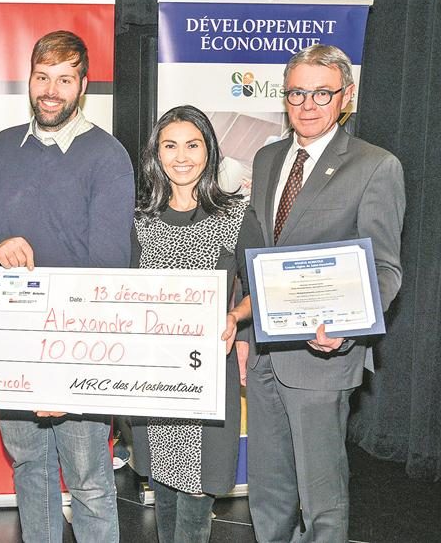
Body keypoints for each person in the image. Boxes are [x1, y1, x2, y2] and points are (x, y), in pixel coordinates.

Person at [0, 30, 135, 543]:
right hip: (12, 343)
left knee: (89, 481)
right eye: (42, 78)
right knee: (28, 468)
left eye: (64, 79)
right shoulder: (2, 146)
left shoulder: (107, 155)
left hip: (76, 343)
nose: (51, 90)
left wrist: (59, 371)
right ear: (29, 80)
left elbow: (108, 266)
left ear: (83, 86)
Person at [246, 44, 405, 542]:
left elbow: (385, 270)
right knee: (267, 493)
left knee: (322, 501)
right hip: (266, 352)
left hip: (323, 355)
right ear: (285, 96)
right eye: (297, 92)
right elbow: (256, 251)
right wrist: (243, 330)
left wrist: (346, 326)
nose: (308, 104)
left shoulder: (375, 166)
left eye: (321, 92)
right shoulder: (268, 158)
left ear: (346, 96)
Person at [131, 105, 263, 542]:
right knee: (163, 486)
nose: (181, 156)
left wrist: (235, 316)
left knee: (195, 489)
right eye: (170, 145)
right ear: (156, 154)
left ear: (209, 151)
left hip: (205, 375)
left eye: (193, 145)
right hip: (153, 378)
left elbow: (259, 288)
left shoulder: (234, 218)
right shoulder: (140, 222)